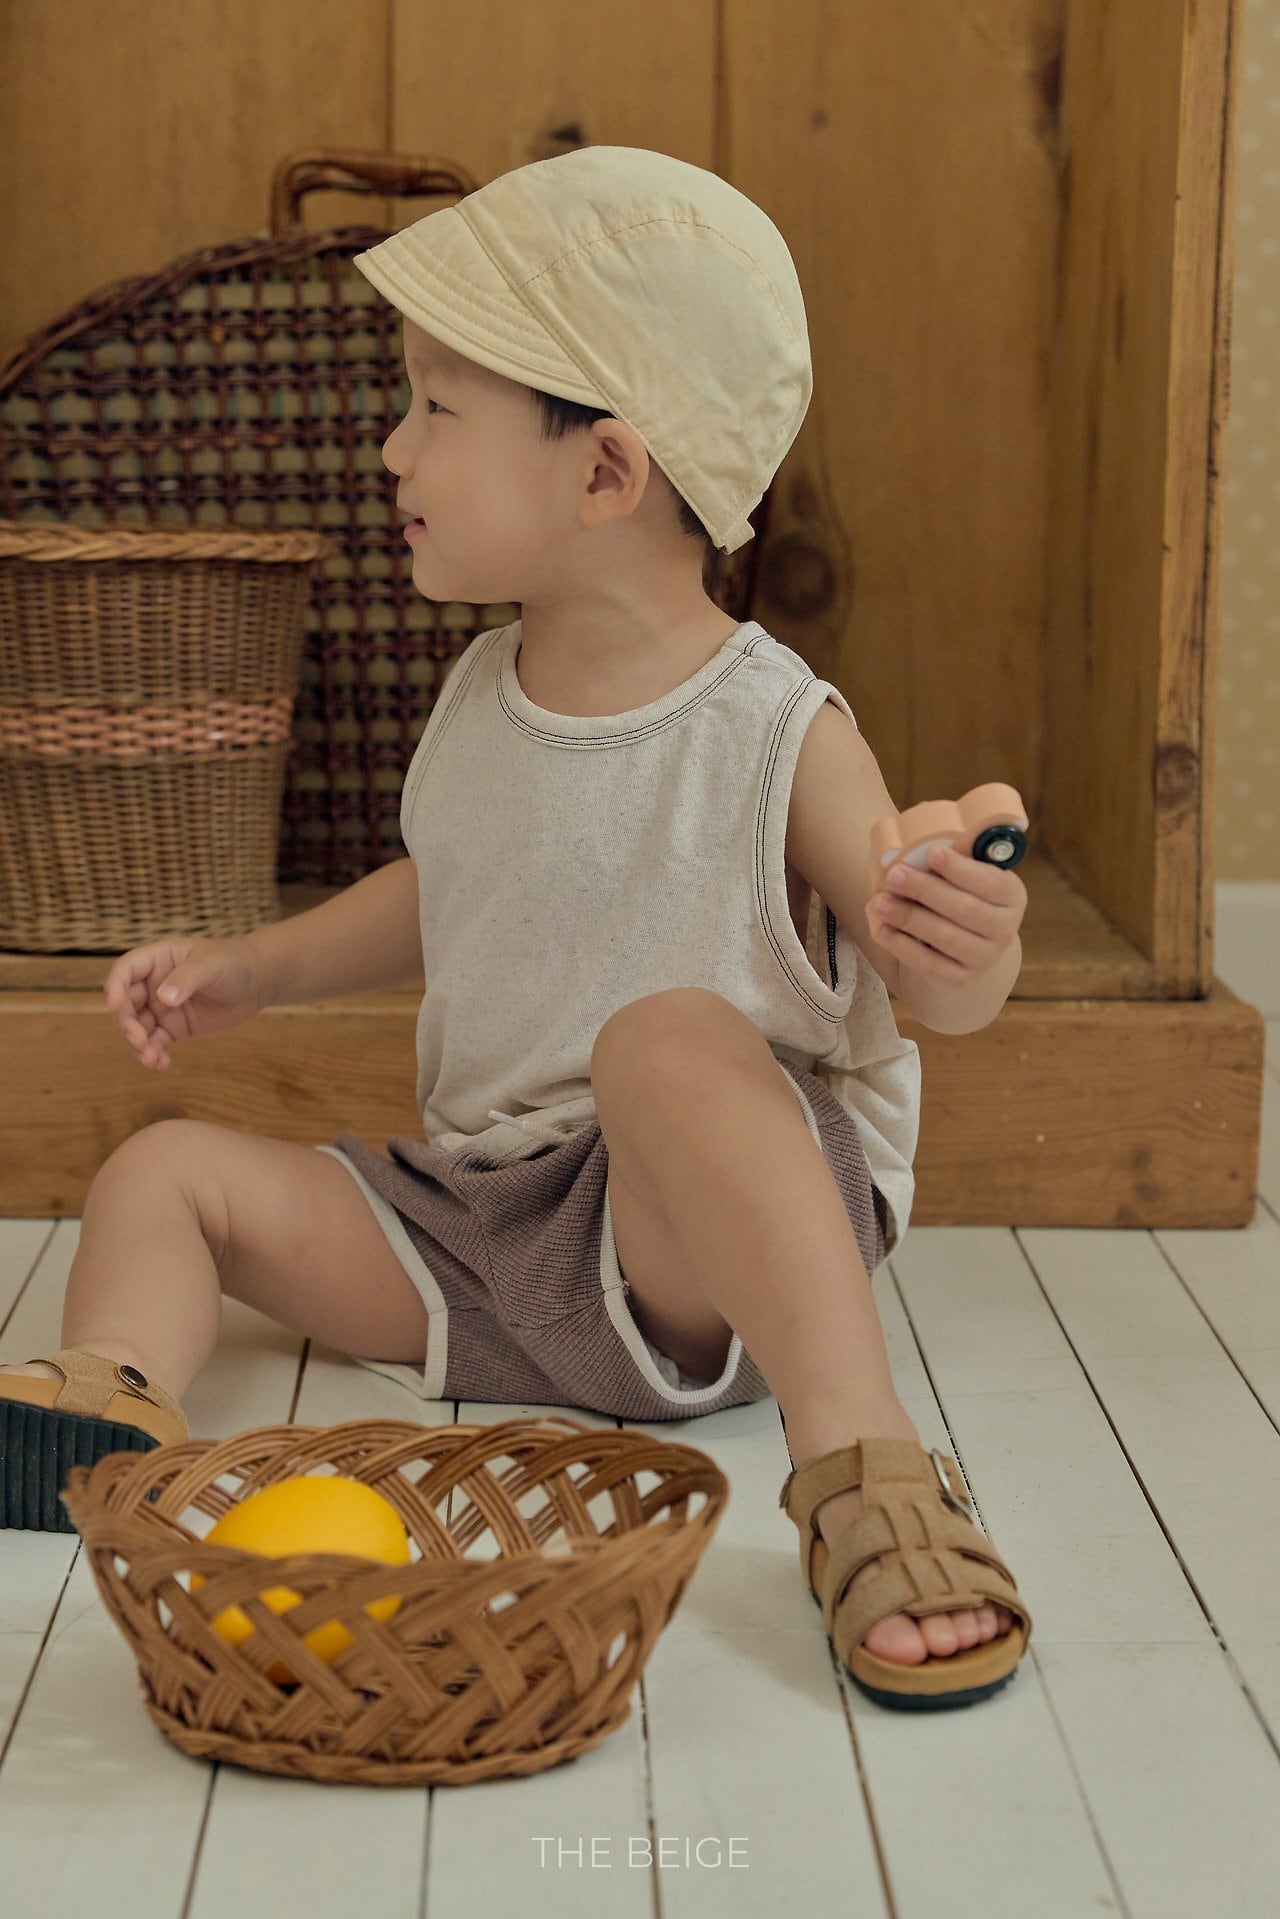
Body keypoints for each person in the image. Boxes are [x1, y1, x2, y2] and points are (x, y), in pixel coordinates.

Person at [0, 147, 1031, 1710]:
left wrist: (969, 945)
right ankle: (102, 1399)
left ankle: (865, 1466)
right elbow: (455, 885)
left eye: (435, 407)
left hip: (703, 1246)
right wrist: (254, 968)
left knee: (666, 1042)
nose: (392, 447)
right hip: (478, 1236)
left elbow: (927, 977)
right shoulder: (483, 693)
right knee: (166, 1170)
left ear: (605, 473)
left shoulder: (775, 728)